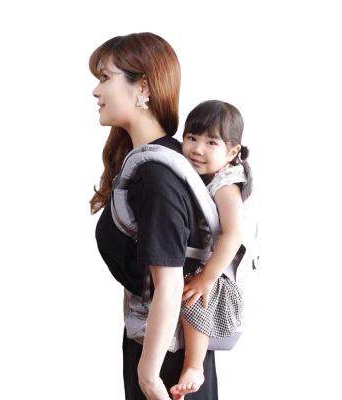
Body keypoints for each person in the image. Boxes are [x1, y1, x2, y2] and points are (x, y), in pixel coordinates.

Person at [89, 33, 218, 400]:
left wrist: (148, 377)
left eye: (105, 78)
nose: (96, 91)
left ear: (142, 87)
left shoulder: (156, 174)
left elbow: (171, 284)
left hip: (167, 370)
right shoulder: (153, 162)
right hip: (161, 351)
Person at [169, 100, 254, 398]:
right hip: (209, 264)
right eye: (191, 138)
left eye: (211, 142)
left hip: (220, 276)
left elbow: (233, 235)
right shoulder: (200, 174)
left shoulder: (226, 184)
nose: (197, 149)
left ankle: (194, 367)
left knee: (192, 295)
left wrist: (206, 278)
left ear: (232, 152)